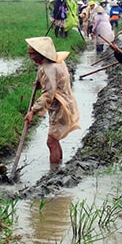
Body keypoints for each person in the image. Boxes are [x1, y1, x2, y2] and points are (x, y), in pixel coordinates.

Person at [24, 36, 80, 165]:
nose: (30, 57)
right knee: (55, 139)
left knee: (51, 141)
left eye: (32, 54)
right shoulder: (57, 61)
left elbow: (48, 94)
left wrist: (33, 111)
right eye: (29, 53)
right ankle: (58, 167)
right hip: (64, 102)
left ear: (41, 54)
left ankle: (54, 171)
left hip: (60, 106)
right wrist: (40, 83)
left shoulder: (48, 68)